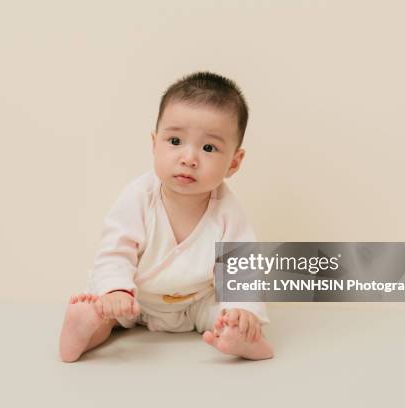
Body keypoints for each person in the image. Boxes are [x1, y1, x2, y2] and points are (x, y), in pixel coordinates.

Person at [59, 72, 273, 362]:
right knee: (103, 312)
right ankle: (81, 329)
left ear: (234, 162)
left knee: (227, 318)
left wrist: (244, 310)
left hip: (193, 302)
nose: (189, 158)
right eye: (175, 141)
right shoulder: (139, 196)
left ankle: (244, 340)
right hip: (134, 297)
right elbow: (115, 250)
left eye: (209, 148)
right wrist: (116, 289)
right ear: (154, 143)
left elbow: (241, 266)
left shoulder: (228, 211)